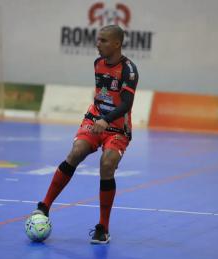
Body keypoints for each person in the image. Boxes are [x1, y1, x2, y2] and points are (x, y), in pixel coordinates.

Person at [33, 25, 139, 244]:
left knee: (107, 164)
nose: (97, 44)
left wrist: (106, 120)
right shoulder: (98, 64)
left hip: (117, 127)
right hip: (94, 119)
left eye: (103, 40)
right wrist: (98, 118)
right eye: (97, 40)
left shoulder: (129, 70)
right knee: (76, 152)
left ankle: (103, 228)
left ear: (117, 44)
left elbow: (127, 104)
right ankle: (44, 206)